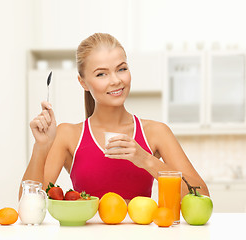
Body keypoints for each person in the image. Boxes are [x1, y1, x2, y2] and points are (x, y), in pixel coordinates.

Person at [19, 33, 209, 202]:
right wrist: (41, 147)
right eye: (101, 74)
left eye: (121, 69)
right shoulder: (68, 135)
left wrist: (146, 160)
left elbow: (201, 196)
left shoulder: (156, 132)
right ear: (83, 82)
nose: (116, 80)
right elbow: (29, 205)